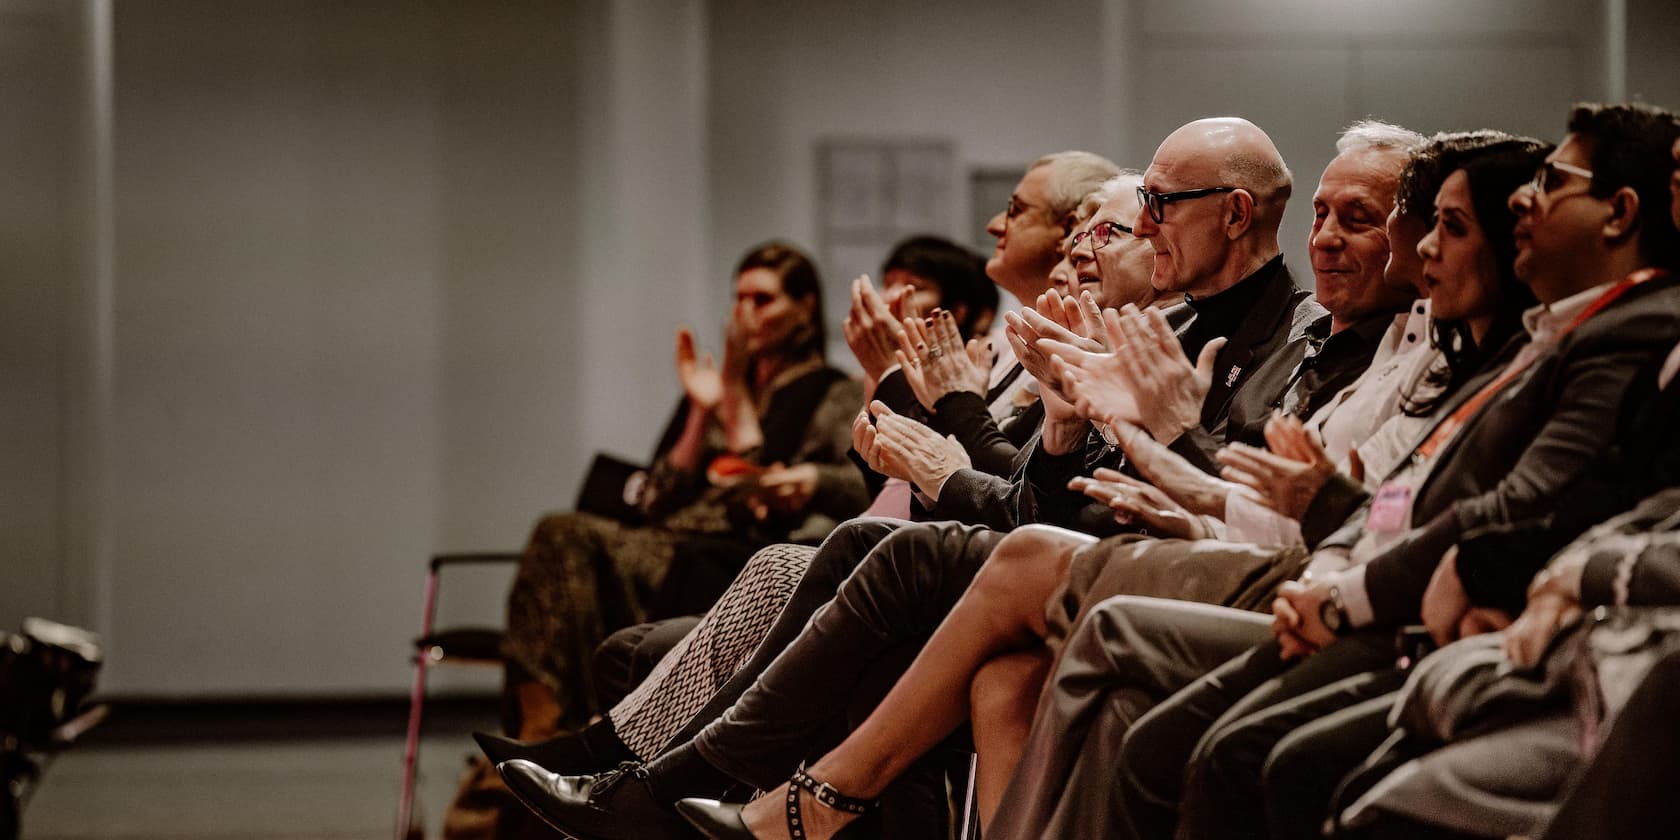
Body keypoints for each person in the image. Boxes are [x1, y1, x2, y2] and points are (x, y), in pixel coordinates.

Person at [660, 120, 1421, 840]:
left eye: (1125, 220)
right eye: (1078, 234)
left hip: (1234, 569)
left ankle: (710, 786)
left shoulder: (1296, 337)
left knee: (894, 557)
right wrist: (1056, 425)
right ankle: (678, 771)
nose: (1086, 250)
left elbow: (1263, 504)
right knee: (971, 660)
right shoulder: (1184, 330)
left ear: (1233, 214)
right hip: (1130, 550)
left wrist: (981, 420)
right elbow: (1038, 490)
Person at [1089, 102, 1680, 840]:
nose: (1418, 244)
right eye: (1324, 214)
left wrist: (1339, 588)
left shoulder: (1611, 333)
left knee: (1233, 744)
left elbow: (1520, 505)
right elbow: (1397, 493)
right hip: (1349, 580)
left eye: (1442, 225)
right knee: (1124, 700)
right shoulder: (1505, 341)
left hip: (1414, 609)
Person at [493, 151, 1123, 840]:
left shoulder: (849, 382)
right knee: (641, 631)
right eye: (738, 298)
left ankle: (640, 779)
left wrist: (920, 405)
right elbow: (670, 493)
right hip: (896, 545)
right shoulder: (1020, 354)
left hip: (933, 559)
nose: (997, 223)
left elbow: (893, 494)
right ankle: (623, 770)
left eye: (762, 298)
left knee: (783, 567)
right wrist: (725, 399)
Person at [500, 242, 869, 736]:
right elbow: (655, 497)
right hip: (668, 536)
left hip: (735, 551)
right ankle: (546, 727)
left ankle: (565, 731)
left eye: (763, 300)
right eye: (739, 299)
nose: (745, 314)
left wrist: (742, 410)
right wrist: (700, 410)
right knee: (563, 543)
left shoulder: (832, 390)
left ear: (803, 307)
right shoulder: (714, 384)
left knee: (565, 536)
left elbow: (844, 484)